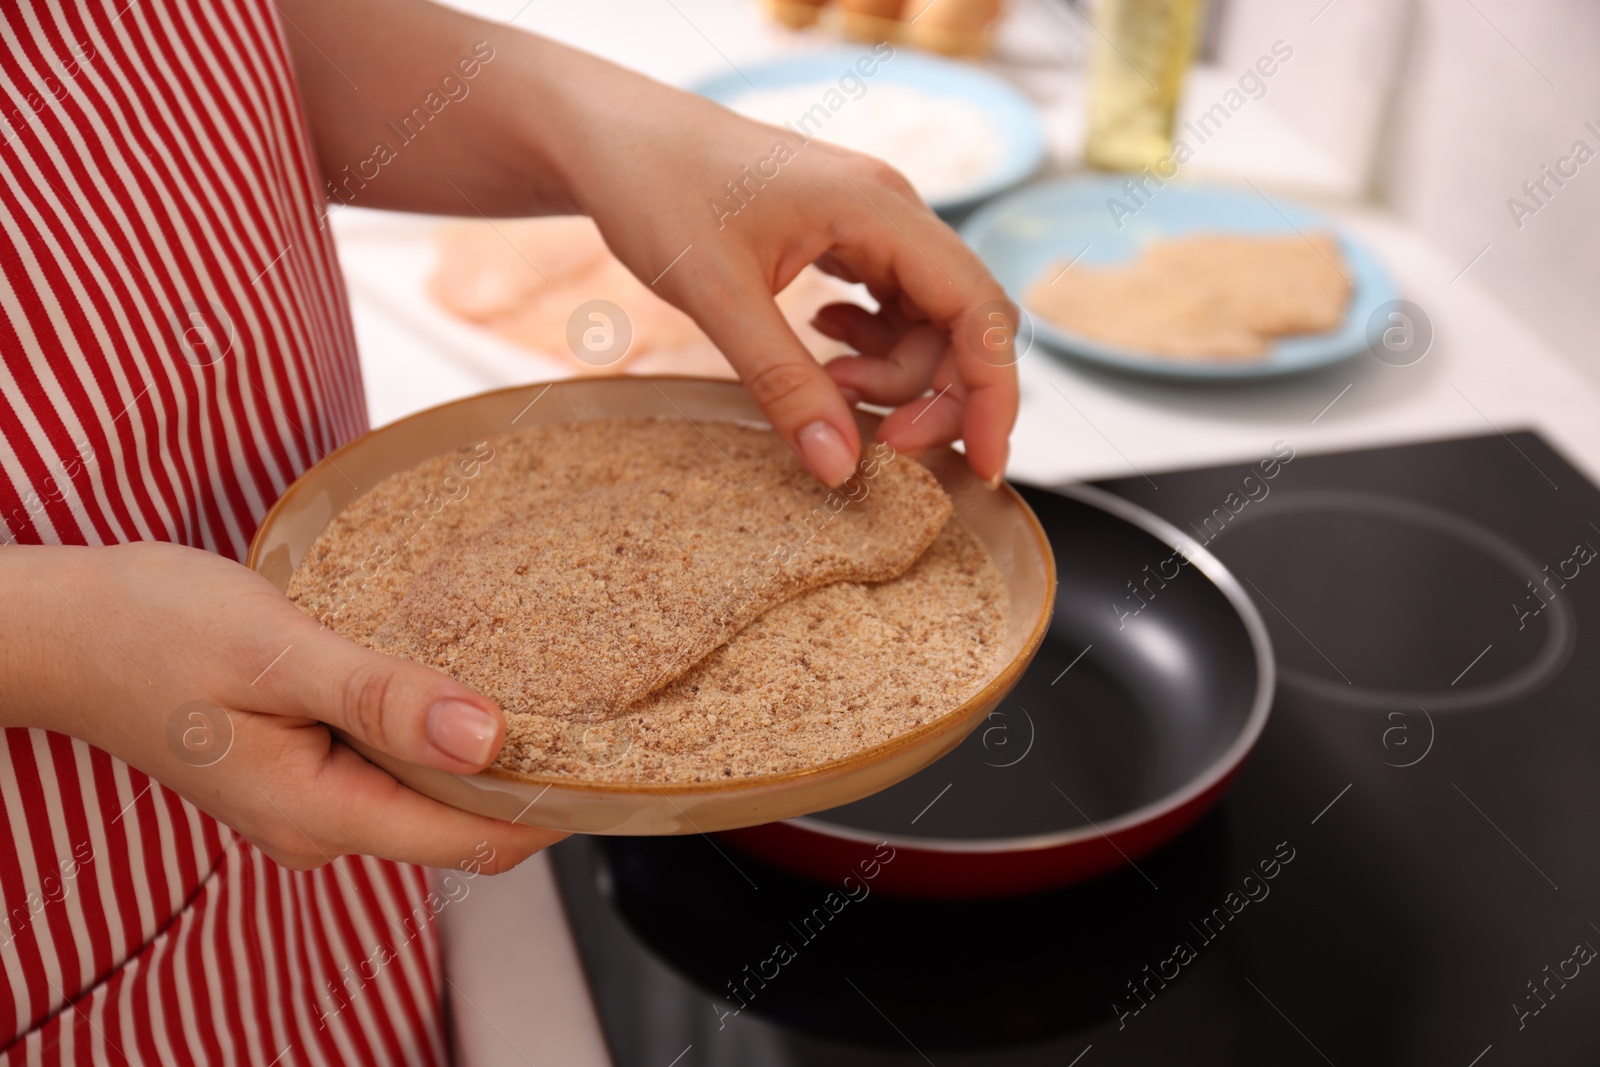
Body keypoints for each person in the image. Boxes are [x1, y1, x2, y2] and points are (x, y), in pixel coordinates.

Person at [0, 0, 1018, 1062]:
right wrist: (52, 641)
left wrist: (595, 121)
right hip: (63, 894)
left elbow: (161, 58)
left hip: (354, 821)